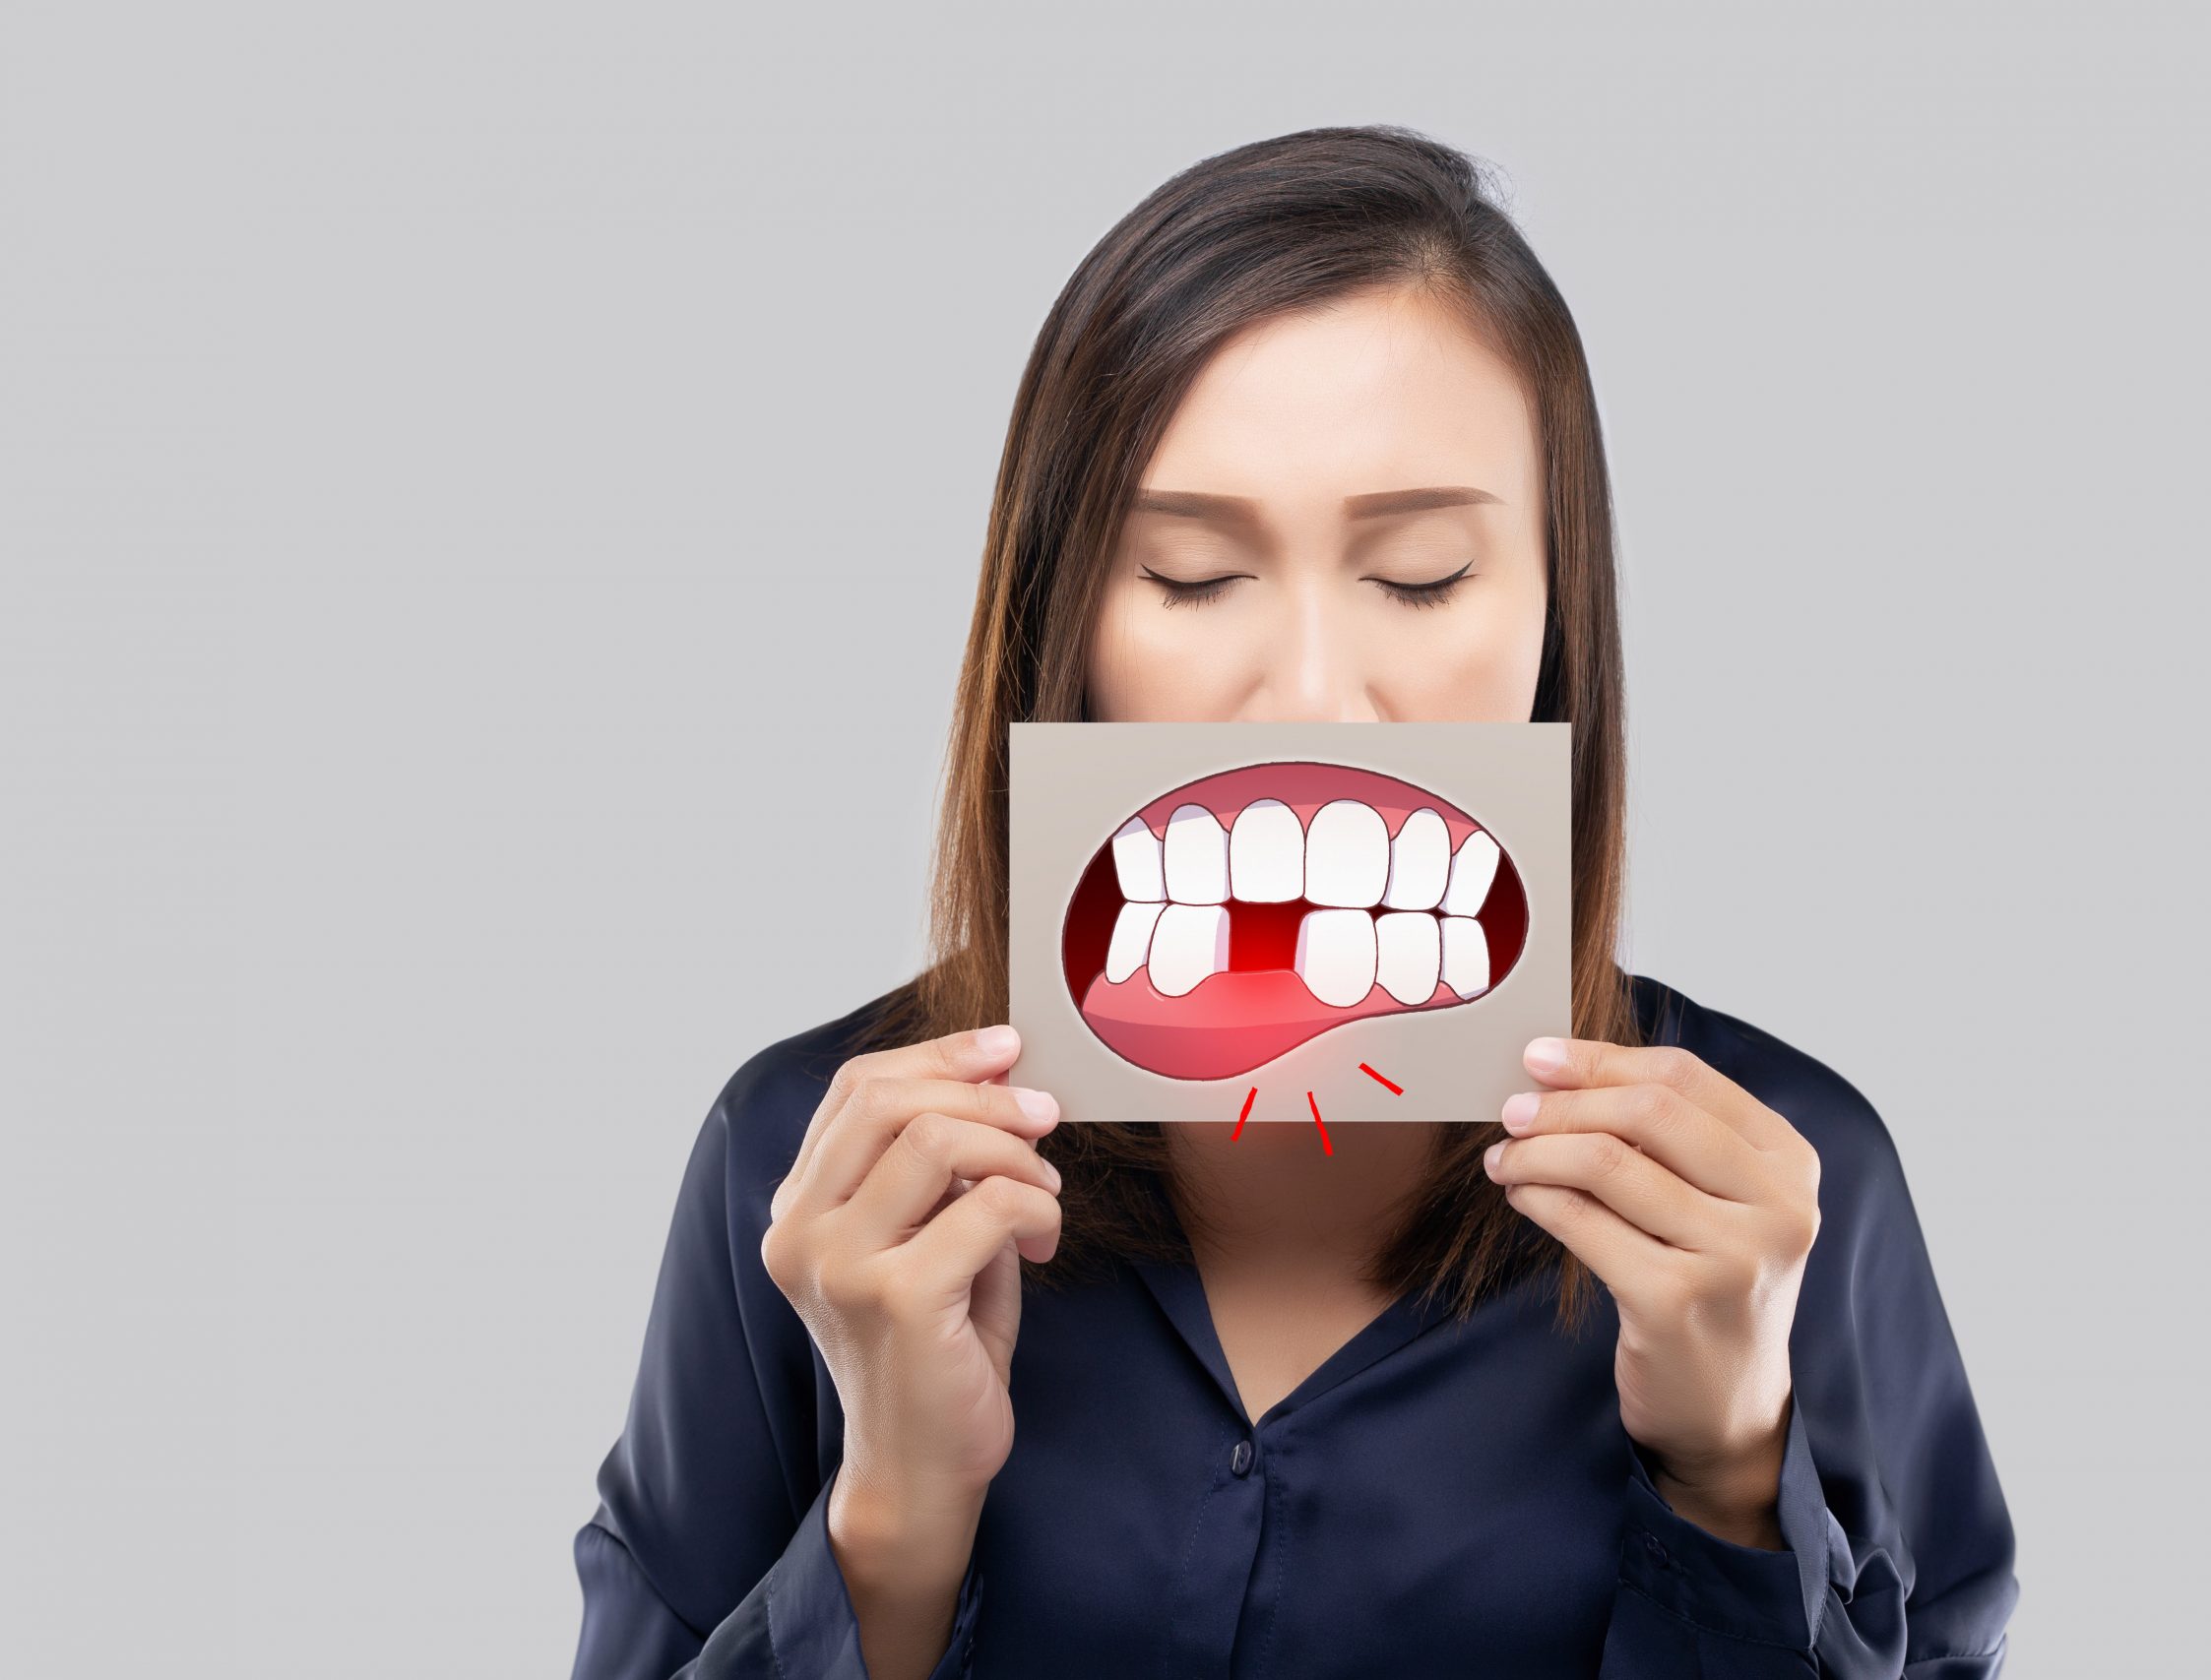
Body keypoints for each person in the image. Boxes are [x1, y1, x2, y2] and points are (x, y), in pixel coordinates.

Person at [570, 124, 2017, 1680]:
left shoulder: (1795, 1193)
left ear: (1554, 623)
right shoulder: (802, 1176)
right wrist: (897, 1522)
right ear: (1064, 626)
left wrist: (1734, 1479)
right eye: (1191, 579)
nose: (1315, 692)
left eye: (1420, 577)